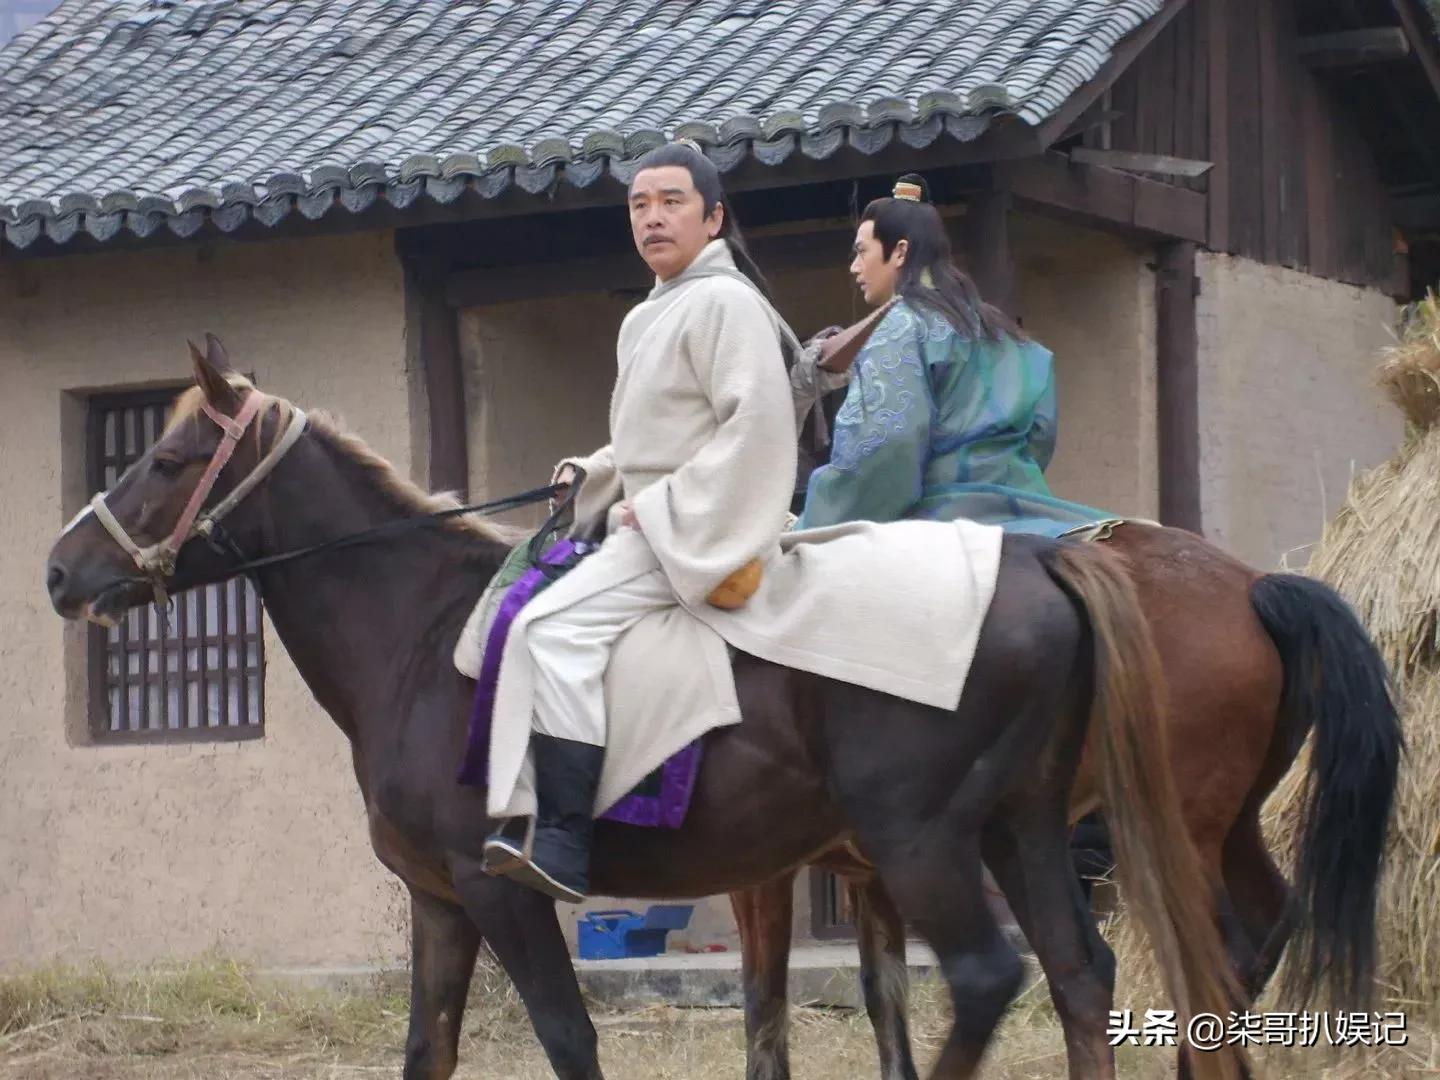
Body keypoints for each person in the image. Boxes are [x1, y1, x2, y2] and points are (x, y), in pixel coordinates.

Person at [479, 141, 803, 902]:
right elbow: (649, 444)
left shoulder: (727, 303)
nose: (653, 218)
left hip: (690, 530)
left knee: (547, 629)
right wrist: (593, 473)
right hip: (649, 517)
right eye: (639, 205)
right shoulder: (646, 318)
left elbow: (754, 430)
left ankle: (562, 836)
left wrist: (654, 509)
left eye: (672, 202)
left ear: (713, 217)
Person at [790, 173, 1112, 537]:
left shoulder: (902, 326)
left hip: (940, 517)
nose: (854, 267)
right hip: (1023, 510)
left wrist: (813, 523)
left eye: (862, 251)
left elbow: (885, 452)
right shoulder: (1004, 331)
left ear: (899, 252)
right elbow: (1039, 436)